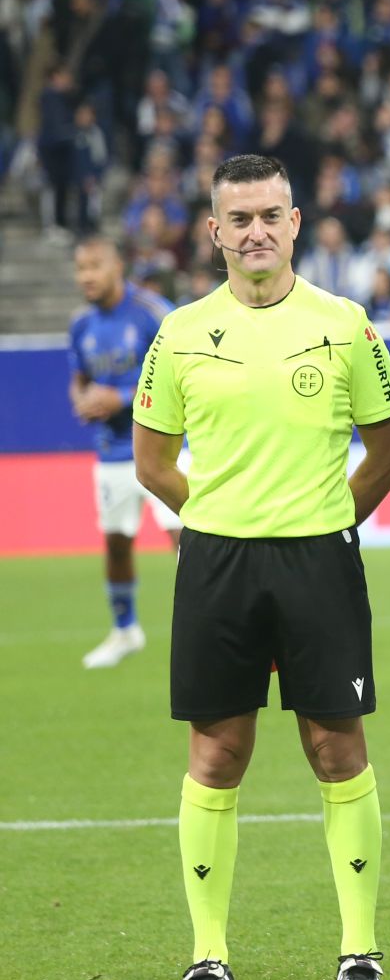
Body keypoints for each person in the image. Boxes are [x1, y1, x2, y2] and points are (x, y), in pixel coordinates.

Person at [132, 154, 390, 980]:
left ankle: (360, 950)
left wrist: (331, 515)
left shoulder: (346, 323)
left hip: (319, 558)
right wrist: (218, 512)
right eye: (239, 218)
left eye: (271, 215)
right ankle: (207, 957)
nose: (256, 231)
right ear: (214, 231)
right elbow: (152, 461)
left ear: (296, 224)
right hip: (218, 563)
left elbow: (388, 445)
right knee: (218, 755)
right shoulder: (178, 332)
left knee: (337, 748)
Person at [68, 235, 177, 668]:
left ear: (118, 267)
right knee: (116, 544)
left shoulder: (153, 312)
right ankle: (125, 630)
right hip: (113, 451)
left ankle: (212, 625)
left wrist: (120, 398)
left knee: (186, 540)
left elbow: (179, 374)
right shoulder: (81, 324)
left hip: (167, 447)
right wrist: (81, 400)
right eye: (80, 268)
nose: (86, 277)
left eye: (94, 266)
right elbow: (78, 377)